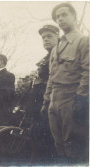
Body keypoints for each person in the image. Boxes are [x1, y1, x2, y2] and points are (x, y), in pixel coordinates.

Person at [41, 3, 89, 164]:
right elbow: (51, 77)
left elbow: (87, 72)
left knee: (73, 146)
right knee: (59, 146)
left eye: (64, 15)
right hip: (54, 100)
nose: (60, 19)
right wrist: (46, 100)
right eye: (57, 17)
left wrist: (81, 99)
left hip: (71, 99)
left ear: (74, 17)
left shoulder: (83, 41)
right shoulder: (57, 47)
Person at [26, 25, 60, 161]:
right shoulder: (46, 57)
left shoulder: (59, 55)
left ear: (58, 37)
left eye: (49, 36)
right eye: (43, 37)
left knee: (48, 144)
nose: (45, 39)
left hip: (51, 105)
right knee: (38, 141)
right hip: (39, 105)